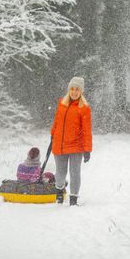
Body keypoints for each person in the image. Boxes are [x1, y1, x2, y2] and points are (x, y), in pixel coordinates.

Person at [50, 76, 92, 206]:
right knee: (60, 173)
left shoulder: (84, 108)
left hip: (76, 147)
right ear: (69, 90)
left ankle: (73, 199)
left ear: (81, 92)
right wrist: (52, 135)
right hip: (59, 144)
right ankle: (59, 190)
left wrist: (87, 150)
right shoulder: (62, 103)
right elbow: (56, 122)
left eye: (77, 89)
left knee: (75, 173)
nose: (74, 92)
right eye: (72, 89)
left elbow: (86, 130)